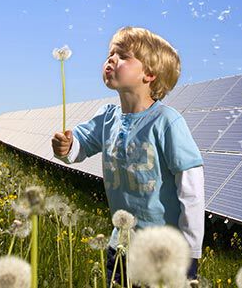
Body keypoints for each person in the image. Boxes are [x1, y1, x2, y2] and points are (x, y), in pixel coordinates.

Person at [51, 26, 204, 285]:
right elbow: (80, 145)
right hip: (120, 247)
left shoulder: (167, 122)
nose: (111, 59)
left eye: (122, 55)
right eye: (110, 53)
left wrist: (190, 250)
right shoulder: (107, 117)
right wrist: (66, 148)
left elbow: (191, 189)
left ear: (150, 74)